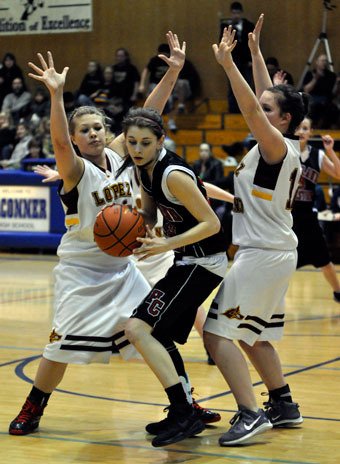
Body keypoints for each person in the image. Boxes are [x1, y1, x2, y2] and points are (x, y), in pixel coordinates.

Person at [8, 31, 195, 437]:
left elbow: (149, 112)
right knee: (59, 346)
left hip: (122, 267)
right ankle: (33, 407)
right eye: (85, 131)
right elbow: (57, 140)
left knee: (153, 332)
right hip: (81, 270)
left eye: (97, 127)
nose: (92, 134)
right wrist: (57, 96)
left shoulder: (121, 152)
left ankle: (187, 402)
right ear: (75, 140)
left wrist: (173, 70)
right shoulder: (74, 169)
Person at [203, 14, 308, 446]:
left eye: (269, 112)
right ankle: (282, 403)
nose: (259, 114)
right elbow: (266, 101)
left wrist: (229, 66)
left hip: (262, 253)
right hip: (271, 249)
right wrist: (255, 54)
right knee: (253, 336)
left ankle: (250, 413)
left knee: (215, 332)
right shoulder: (284, 143)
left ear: (281, 121)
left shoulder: (274, 146)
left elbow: (253, 107)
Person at [118, 103, 229, 447]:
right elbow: (150, 214)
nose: (136, 149)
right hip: (185, 260)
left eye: (144, 143)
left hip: (204, 261)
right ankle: (185, 408)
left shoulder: (172, 174)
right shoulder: (145, 169)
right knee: (158, 334)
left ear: (160, 140)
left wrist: (166, 245)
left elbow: (213, 224)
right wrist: (132, 226)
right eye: (131, 142)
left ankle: (183, 413)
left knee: (137, 329)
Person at [293, 116, 340, 302]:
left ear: (310, 132)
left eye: (305, 128)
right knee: (280, 262)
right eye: (298, 128)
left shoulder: (317, 155)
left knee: (324, 260)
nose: (301, 132)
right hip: (284, 216)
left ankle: (338, 292)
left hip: (307, 216)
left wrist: (330, 151)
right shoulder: (283, 151)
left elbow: (338, 174)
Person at [219, 1, 254, 113]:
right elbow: (222, 42)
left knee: (247, 84)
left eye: (238, 13)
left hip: (246, 61)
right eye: (234, 13)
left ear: (241, 13)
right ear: (231, 13)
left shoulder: (249, 25)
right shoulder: (226, 27)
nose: (236, 15)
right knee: (232, 85)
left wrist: (251, 59)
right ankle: (233, 110)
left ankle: (248, 109)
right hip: (232, 60)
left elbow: (253, 44)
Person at [302, 54, 339, 129]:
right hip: (312, 100)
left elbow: (333, 93)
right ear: (317, 62)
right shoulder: (310, 74)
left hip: (326, 101)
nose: (324, 63)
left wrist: (338, 84)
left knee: (333, 109)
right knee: (310, 107)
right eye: (322, 60)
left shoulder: (331, 75)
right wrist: (315, 78)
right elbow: (306, 90)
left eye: (326, 61)